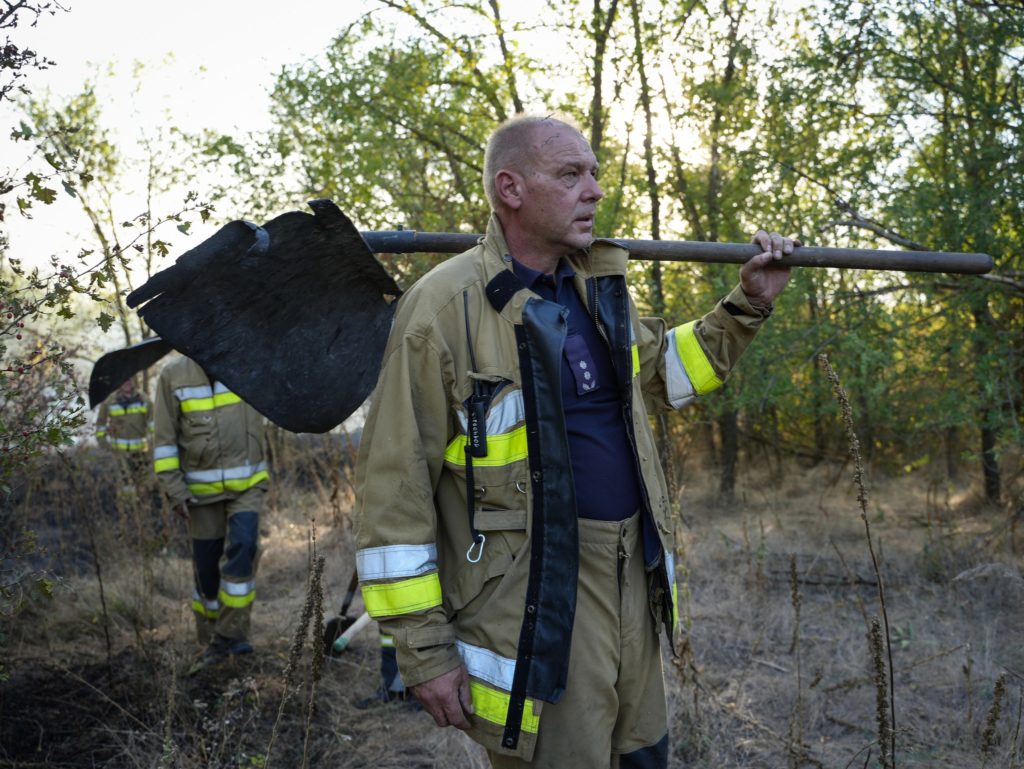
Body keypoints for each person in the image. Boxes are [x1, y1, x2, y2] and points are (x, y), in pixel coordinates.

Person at [353, 115, 798, 768]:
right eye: (570, 174)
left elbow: (667, 374)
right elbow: (395, 490)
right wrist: (422, 650)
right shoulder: (442, 311)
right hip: (536, 590)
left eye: (594, 173)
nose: (594, 190)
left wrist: (747, 304)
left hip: (632, 574)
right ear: (510, 188)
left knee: (643, 755)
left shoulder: (597, 287)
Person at [151, 354, 269, 672]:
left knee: (243, 547)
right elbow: (163, 441)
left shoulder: (248, 362)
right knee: (206, 571)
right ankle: (210, 641)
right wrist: (175, 491)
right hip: (199, 497)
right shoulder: (173, 375)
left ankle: (232, 634)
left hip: (248, 487)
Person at [95, 377, 151, 477]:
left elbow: (154, 425)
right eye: (123, 380)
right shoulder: (109, 401)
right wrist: (105, 446)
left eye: (129, 379)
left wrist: (152, 446)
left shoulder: (143, 399)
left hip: (140, 454)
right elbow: (100, 425)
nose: (127, 382)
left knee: (142, 484)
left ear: (133, 380)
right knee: (123, 485)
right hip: (118, 455)